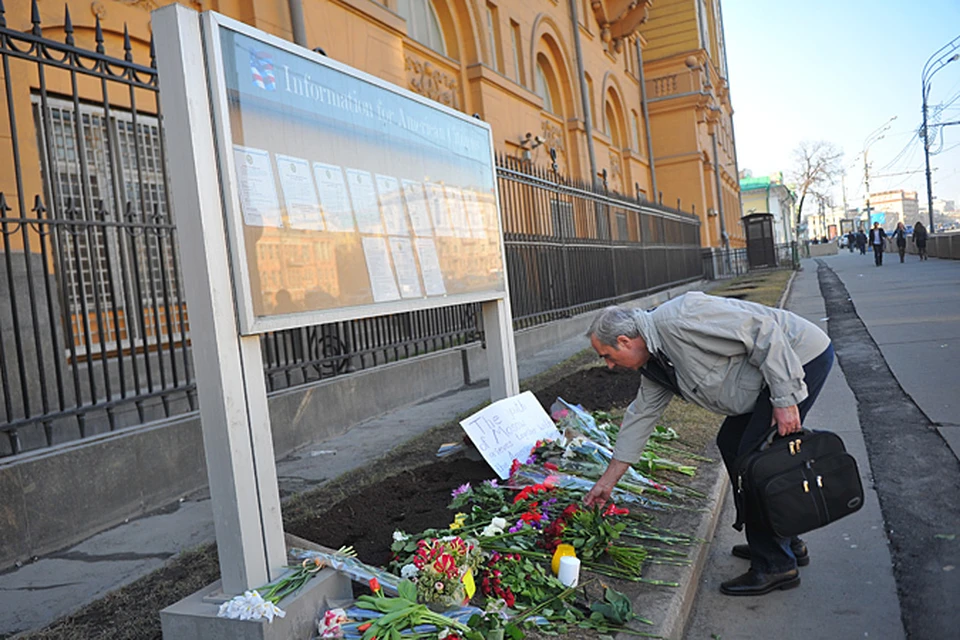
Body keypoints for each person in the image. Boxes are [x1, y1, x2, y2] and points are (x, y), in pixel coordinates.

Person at [584, 293, 834, 596]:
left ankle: (776, 564)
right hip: (768, 376)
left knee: (757, 462)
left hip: (798, 359)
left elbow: (764, 331)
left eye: (608, 356)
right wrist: (607, 482)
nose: (609, 365)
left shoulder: (680, 318)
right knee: (730, 442)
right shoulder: (655, 361)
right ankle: (786, 540)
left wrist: (785, 398)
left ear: (624, 341)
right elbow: (640, 418)